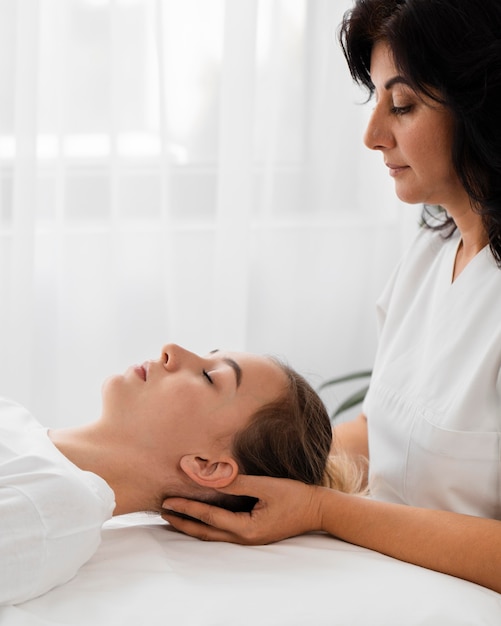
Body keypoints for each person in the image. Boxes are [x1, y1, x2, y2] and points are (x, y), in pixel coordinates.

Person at [160, 0, 501, 595]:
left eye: (402, 105)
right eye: (376, 101)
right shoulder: (431, 253)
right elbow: (381, 433)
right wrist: (235, 475)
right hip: (379, 573)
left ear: (484, 108)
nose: (372, 136)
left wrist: (322, 510)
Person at [0, 342, 363, 605]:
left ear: (207, 466)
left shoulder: (56, 508)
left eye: (208, 376)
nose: (171, 350)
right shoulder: (14, 419)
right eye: (207, 352)